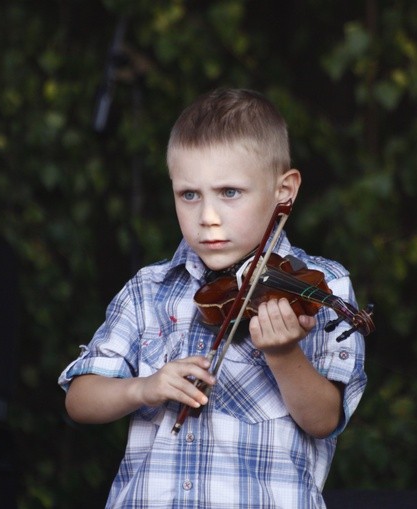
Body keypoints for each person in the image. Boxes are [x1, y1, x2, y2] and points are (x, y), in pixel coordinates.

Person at [59, 88, 367, 508]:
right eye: (190, 195)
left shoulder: (324, 284)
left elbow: (323, 420)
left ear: (284, 191)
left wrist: (283, 354)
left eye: (230, 193)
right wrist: (144, 388)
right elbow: (80, 400)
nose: (207, 217)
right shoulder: (149, 289)